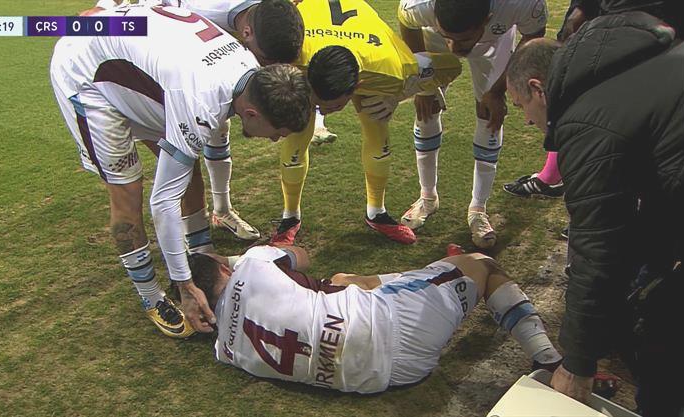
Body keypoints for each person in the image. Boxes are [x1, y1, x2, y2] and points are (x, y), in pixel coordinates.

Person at [50, 4, 312, 337]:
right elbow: (163, 204)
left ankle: (201, 254)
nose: (275, 140)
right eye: (277, 132)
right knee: (128, 191)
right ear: (251, 114)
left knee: (185, 165)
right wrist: (186, 286)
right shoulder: (202, 101)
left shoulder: (249, 74)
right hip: (86, 74)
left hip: (136, 63)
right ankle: (151, 296)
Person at [506, 28, 684, 415]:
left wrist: (577, 362)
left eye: (520, 106)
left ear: (538, 89)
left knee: (663, 352)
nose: (527, 121)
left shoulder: (585, 123)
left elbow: (598, 245)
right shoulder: (629, 64)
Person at [188, 245, 562, 393]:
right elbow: (301, 255)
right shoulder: (252, 263)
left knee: (343, 281)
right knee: (481, 264)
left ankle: (422, 277)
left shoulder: (225, 352)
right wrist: (235, 258)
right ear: (224, 268)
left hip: (386, 379)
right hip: (396, 326)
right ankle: (548, 359)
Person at [80, 0, 305, 242]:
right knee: (176, 161)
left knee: (214, 131)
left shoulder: (263, 23)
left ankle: (221, 212)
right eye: (264, 59)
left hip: (198, 70)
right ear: (247, 33)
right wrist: (103, 9)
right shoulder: (207, 7)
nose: (266, 68)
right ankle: (194, 239)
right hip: (145, 70)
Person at [271, 0, 461, 245]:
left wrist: (400, 94)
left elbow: (452, 66)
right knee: (297, 132)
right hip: (315, 48)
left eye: (334, 106)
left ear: (357, 86)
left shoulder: (391, 68)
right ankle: (290, 217)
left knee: (377, 126)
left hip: (370, 59)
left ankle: (376, 212)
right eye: (320, 103)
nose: (325, 111)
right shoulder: (293, 55)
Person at [397, 0, 547, 248]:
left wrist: (497, 91)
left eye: (463, 40)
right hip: (433, 36)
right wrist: (424, 81)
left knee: (489, 115)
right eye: (449, 38)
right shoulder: (419, 5)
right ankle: (427, 196)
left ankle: (478, 208)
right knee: (427, 109)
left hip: (494, 42)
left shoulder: (520, 4)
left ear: (488, 19)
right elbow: (406, 21)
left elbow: (533, 37)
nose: (454, 48)